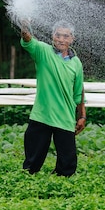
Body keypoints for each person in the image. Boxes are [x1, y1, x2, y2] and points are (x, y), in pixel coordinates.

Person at [20, 20, 86, 177]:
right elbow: (28, 39)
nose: (61, 39)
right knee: (31, 165)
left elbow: (79, 92)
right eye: (58, 35)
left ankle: (61, 189)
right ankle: (28, 188)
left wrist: (82, 115)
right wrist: (25, 26)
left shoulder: (76, 63)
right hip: (42, 115)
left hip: (65, 116)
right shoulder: (43, 51)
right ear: (52, 36)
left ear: (72, 39)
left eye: (65, 36)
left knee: (67, 167)